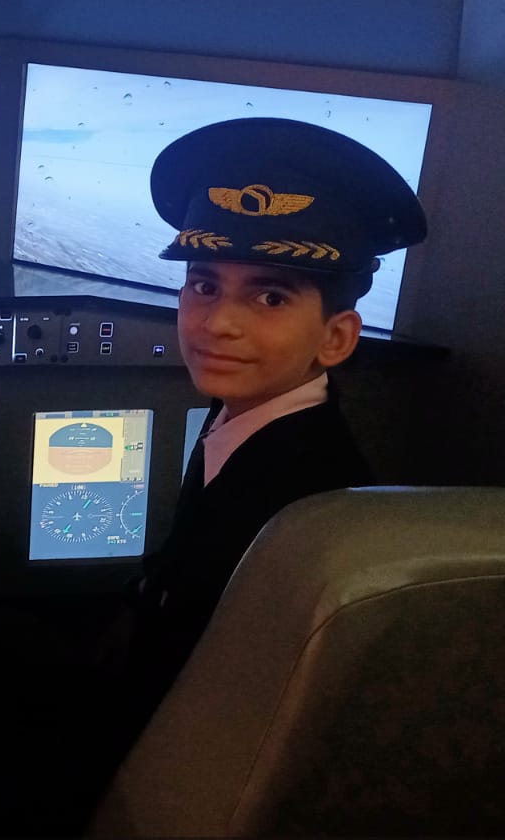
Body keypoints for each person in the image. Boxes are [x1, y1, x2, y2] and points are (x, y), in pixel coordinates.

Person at [116, 116, 427, 755]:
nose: (217, 323)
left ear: (336, 337)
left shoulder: (304, 513)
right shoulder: (246, 414)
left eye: (271, 298)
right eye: (204, 285)